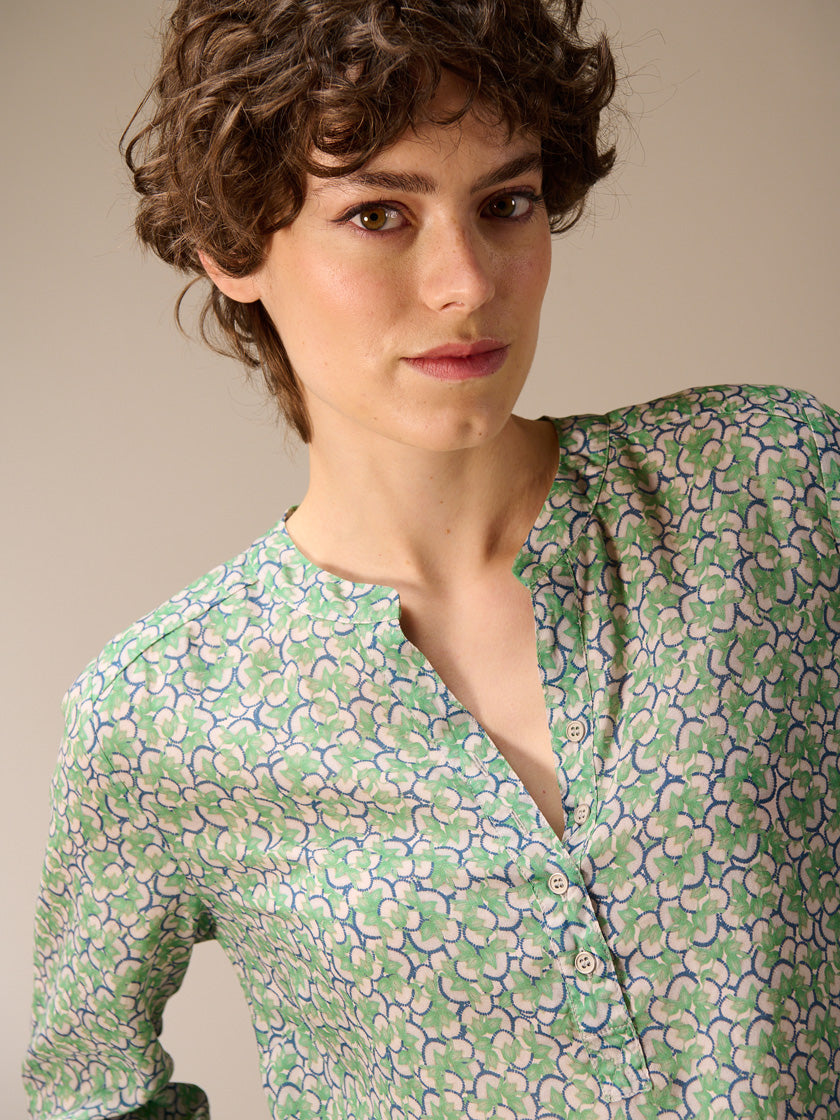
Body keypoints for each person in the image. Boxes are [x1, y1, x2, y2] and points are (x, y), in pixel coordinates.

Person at [22, 0, 840, 1117]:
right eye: (377, 215)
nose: (467, 282)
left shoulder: (768, 487)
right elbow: (85, 1090)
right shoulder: (164, 711)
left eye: (506, 204)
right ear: (234, 247)